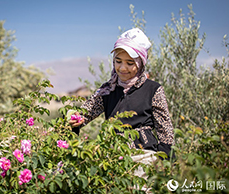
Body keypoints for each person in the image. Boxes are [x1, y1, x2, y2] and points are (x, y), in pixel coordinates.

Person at [69, 28, 174, 160]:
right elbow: (85, 113)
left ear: (141, 63)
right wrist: (74, 119)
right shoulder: (107, 90)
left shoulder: (153, 90)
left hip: (144, 156)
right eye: (118, 61)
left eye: (130, 63)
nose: (122, 68)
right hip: (113, 155)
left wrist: (165, 161)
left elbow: (165, 130)